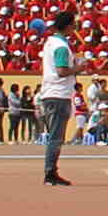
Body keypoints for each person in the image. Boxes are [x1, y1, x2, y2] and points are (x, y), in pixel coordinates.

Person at [39, 10, 80, 186]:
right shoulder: (61, 46)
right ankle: (50, 172)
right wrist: (79, 68)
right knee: (56, 136)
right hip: (58, 93)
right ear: (68, 26)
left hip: (53, 92)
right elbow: (61, 71)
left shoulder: (51, 42)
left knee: (55, 135)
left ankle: (51, 170)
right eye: (73, 25)